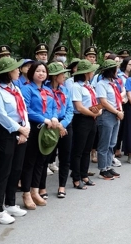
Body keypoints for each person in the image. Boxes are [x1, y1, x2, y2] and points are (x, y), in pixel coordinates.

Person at [0, 57, 30, 224]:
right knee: (3, 171)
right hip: (5, 133)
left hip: (21, 131)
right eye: (15, 69)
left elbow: (23, 109)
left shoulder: (16, 89)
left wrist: (25, 129)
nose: (18, 70)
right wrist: (19, 129)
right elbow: (1, 116)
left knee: (16, 169)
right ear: (7, 73)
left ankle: (10, 203)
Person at [20, 61, 58, 209]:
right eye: (38, 71)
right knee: (30, 162)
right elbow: (26, 110)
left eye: (43, 71)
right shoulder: (27, 89)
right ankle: (26, 193)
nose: (41, 73)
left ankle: (35, 191)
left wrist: (54, 117)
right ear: (32, 73)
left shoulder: (48, 90)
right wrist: (44, 119)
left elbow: (54, 106)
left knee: (41, 162)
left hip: (47, 130)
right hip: (34, 128)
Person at [70, 59, 101, 189]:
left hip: (91, 119)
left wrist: (98, 110)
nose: (93, 73)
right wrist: (93, 113)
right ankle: (76, 178)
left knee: (87, 149)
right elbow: (79, 107)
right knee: (78, 150)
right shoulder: (76, 87)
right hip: (81, 119)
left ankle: (84, 175)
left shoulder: (89, 86)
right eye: (91, 71)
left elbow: (94, 102)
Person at [46, 63, 73, 198]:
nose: (65, 76)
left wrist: (63, 124)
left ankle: (62, 186)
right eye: (62, 74)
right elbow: (47, 109)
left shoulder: (64, 90)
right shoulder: (45, 89)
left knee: (65, 157)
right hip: (50, 125)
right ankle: (41, 188)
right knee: (45, 157)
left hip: (65, 125)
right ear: (55, 76)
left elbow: (70, 109)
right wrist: (58, 125)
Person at [95, 59, 124, 179]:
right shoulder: (101, 84)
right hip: (107, 115)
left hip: (116, 114)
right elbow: (104, 102)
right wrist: (117, 111)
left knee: (112, 143)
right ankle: (103, 168)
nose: (118, 70)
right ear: (111, 71)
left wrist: (120, 111)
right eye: (116, 69)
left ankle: (108, 166)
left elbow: (118, 98)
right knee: (104, 143)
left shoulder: (114, 83)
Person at [114, 57, 131, 158]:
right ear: (125, 65)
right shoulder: (120, 76)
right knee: (120, 127)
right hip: (122, 103)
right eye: (130, 64)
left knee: (128, 127)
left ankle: (127, 148)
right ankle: (116, 148)